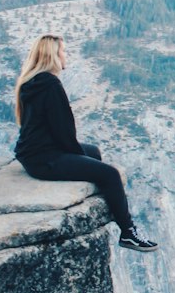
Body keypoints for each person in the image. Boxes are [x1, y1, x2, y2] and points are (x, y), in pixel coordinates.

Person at [14, 34, 158, 253]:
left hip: (32, 154)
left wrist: (80, 156)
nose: (66, 55)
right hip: (45, 159)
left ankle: (106, 201)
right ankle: (128, 232)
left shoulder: (31, 81)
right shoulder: (51, 85)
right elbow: (63, 130)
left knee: (94, 152)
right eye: (63, 51)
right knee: (109, 174)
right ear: (53, 55)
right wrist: (76, 156)